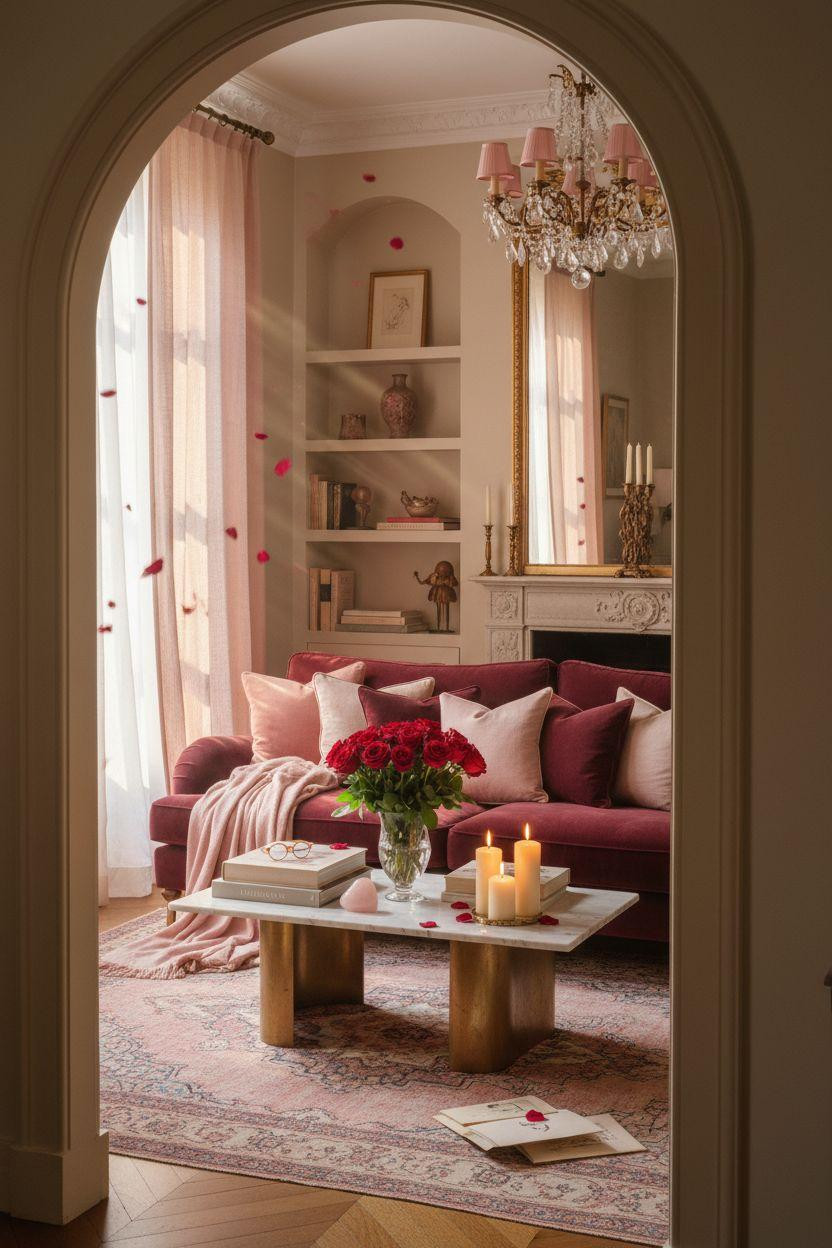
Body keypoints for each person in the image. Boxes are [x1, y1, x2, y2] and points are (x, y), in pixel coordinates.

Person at [413, 560, 458, 633]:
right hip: (439, 594)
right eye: (441, 571)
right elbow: (422, 582)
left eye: (444, 572)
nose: (442, 574)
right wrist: (417, 577)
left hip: (445, 594)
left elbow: (455, 583)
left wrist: (417, 577)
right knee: (440, 609)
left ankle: (444, 628)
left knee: (444, 608)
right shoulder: (435, 577)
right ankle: (440, 628)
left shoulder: (449, 578)